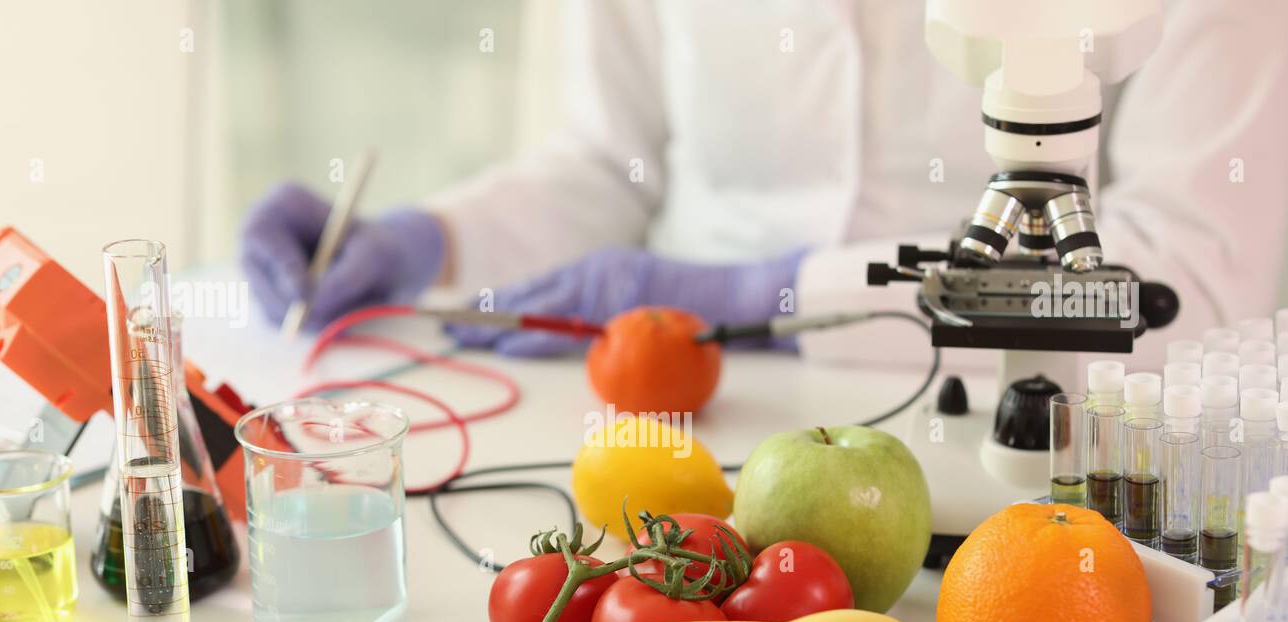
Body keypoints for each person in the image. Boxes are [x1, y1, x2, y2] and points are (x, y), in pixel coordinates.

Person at [241, 0, 1288, 366]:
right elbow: (612, 162)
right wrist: (425, 241)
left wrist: (770, 299)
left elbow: (1182, 282)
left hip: (1012, 443)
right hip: (659, 413)